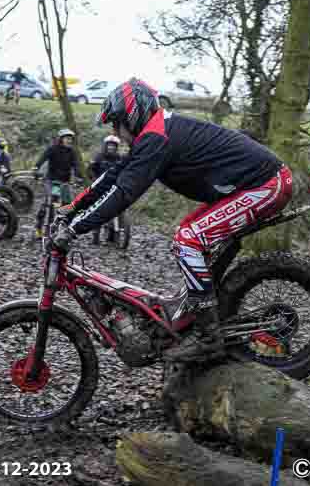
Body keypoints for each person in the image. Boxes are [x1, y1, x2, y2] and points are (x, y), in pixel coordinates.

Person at [54, 78, 293, 361]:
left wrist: (75, 228)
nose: (116, 133)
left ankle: (208, 337)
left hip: (266, 184)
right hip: (253, 184)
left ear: (133, 115)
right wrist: (71, 210)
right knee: (187, 235)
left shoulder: (158, 137)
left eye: (117, 124)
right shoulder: (155, 133)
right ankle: (197, 313)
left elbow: (123, 193)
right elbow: (114, 176)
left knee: (188, 240)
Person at [33, 128, 83, 239]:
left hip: (64, 183)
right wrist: (36, 168)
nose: (69, 141)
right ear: (61, 139)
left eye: (70, 139)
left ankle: (63, 229)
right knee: (50, 202)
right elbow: (42, 159)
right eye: (66, 138)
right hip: (52, 181)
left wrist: (79, 177)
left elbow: (76, 166)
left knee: (67, 206)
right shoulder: (53, 149)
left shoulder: (72, 152)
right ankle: (39, 227)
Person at [89, 134, 124, 244]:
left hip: (115, 187)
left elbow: (125, 170)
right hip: (100, 187)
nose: (111, 147)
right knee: (98, 209)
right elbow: (90, 170)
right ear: (105, 146)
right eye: (109, 145)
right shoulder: (99, 157)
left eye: (113, 146)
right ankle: (96, 235)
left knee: (119, 209)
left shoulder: (120, 158)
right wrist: (94, 179)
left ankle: (115, 234)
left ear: (116, 147)